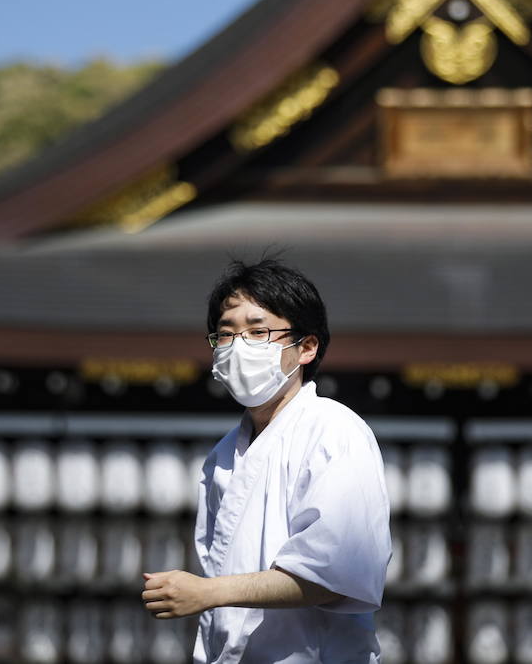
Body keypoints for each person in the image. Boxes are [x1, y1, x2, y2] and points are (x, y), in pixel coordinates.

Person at [141, 258, 393, 663]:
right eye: (226, 334)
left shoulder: (334, 431)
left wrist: (208, 592)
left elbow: (334, 575)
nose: (240, 346)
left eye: (258, 331)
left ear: (306, 347)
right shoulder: (223, 454)